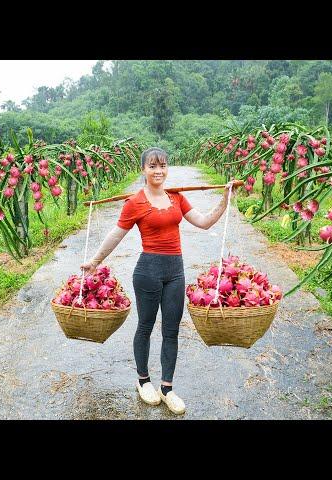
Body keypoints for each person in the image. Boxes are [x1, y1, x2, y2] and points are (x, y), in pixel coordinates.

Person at [80, 147, 236, 414]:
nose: (158, 171)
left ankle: (167, 388)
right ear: (144, 170)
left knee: (172, 330)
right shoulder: (135, 202)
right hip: (148, 271)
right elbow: (115, 235)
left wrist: (224, 200)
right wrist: (94, 261)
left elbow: (204, 222)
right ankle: (143, 381)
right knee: (146, 325)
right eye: (152, 166)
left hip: (175, 270)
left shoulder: (177, 198)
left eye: (162, 165)